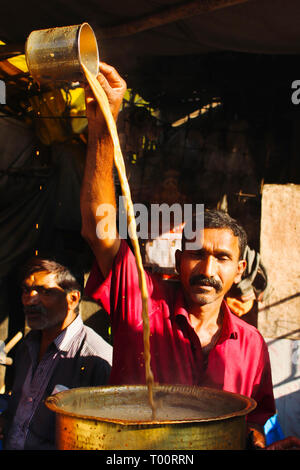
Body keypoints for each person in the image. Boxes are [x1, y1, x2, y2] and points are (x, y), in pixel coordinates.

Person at [81, 62, 276, 448]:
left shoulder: (252, 344)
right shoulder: (141, 300)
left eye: (221, 258)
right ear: (176, 261)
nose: (207, 269)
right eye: (196, 254)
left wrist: (255, 440)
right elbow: (96, 226)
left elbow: (254, 420)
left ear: (239, 270)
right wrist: (104, 122)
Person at [0, 257, 112, 450]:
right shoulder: (28, 345)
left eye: (45, 292)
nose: (30, 299)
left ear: (73, 298)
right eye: (26, 290)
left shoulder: (97, 359)